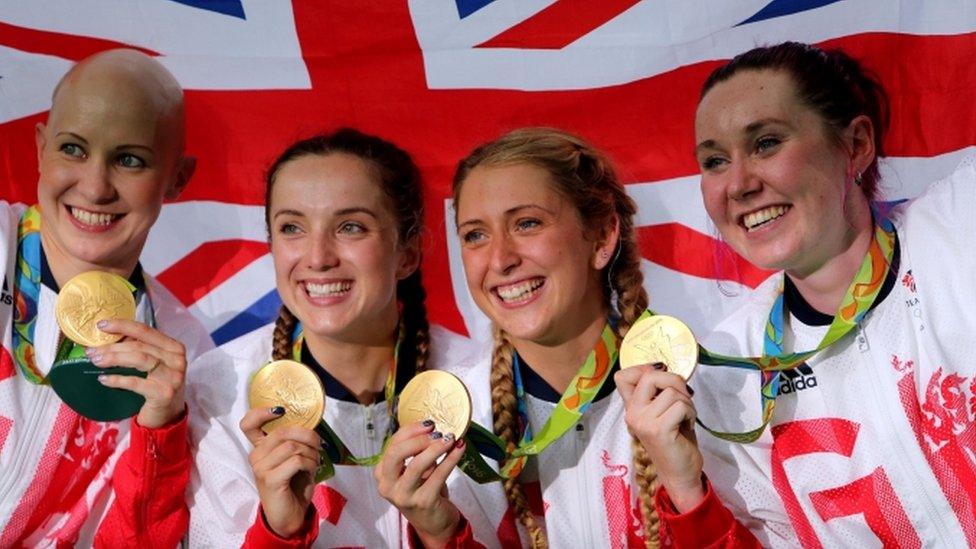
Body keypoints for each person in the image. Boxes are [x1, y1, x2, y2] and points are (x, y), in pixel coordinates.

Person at [617, 41, 976, 547]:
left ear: (854, 145)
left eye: (765, 143)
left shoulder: (963, 226)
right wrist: (684, 487)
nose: (738, 184)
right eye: (715, 161)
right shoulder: (730, 377)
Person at [187, 128, 478, 547]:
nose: (319, 257)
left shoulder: (476, 383)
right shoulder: (218, 391)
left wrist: (443, 536)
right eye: (292, 228)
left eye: (351, 227)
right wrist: (280, 532)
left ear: (408, 253)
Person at [378, 127, 662, 548]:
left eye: (527, 223)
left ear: (601, 236)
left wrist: (692, 499)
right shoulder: (448, 424)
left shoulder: (696, 389)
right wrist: (441, 537)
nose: (500, 259)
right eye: (475, 234)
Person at [0, 49, 213, 546]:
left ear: (177, 179)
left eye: (129, 160)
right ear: (40, 149)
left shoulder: (186, 352)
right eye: (73, 149)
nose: (95, 188)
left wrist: (160, 434)